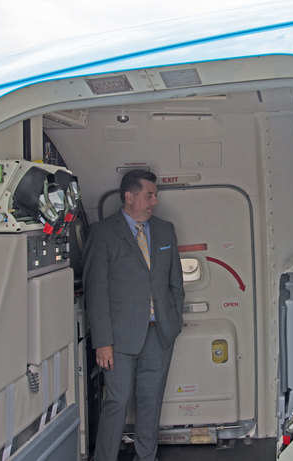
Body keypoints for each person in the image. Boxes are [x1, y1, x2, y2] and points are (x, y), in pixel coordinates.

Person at [84, 169, 184, 461]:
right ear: (129, 196)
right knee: (116, 401)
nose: (155, 201)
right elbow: (96, 291)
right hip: (118, 339)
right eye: (149, 195)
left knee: (151, 402)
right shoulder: (103, 233)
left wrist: (173, 322)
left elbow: (175, 283)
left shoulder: (165, 230)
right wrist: (102, 342)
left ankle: (146, 456)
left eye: (155, 195)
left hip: (160, 333)